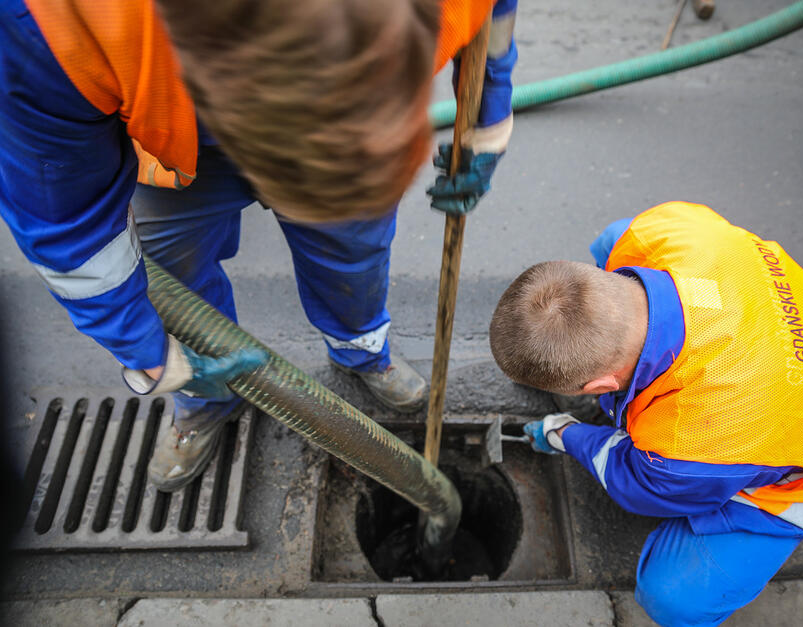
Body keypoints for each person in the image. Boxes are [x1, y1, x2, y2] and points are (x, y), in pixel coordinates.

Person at [0, 0, 517, 491]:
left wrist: (489, 118)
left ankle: (360, 348)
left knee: (352, 253)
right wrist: (156, 359)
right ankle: (206, 401)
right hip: (170, 141)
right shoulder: (54, 24)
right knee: (175, 278)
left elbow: (491, 15)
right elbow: (69, 228)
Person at [489, 202, 803, 626]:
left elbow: (628, 475)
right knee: (615, 234)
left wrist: (564, 434)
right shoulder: (662, 231)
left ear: (601, 387)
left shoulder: (690, 449)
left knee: (673, 598)